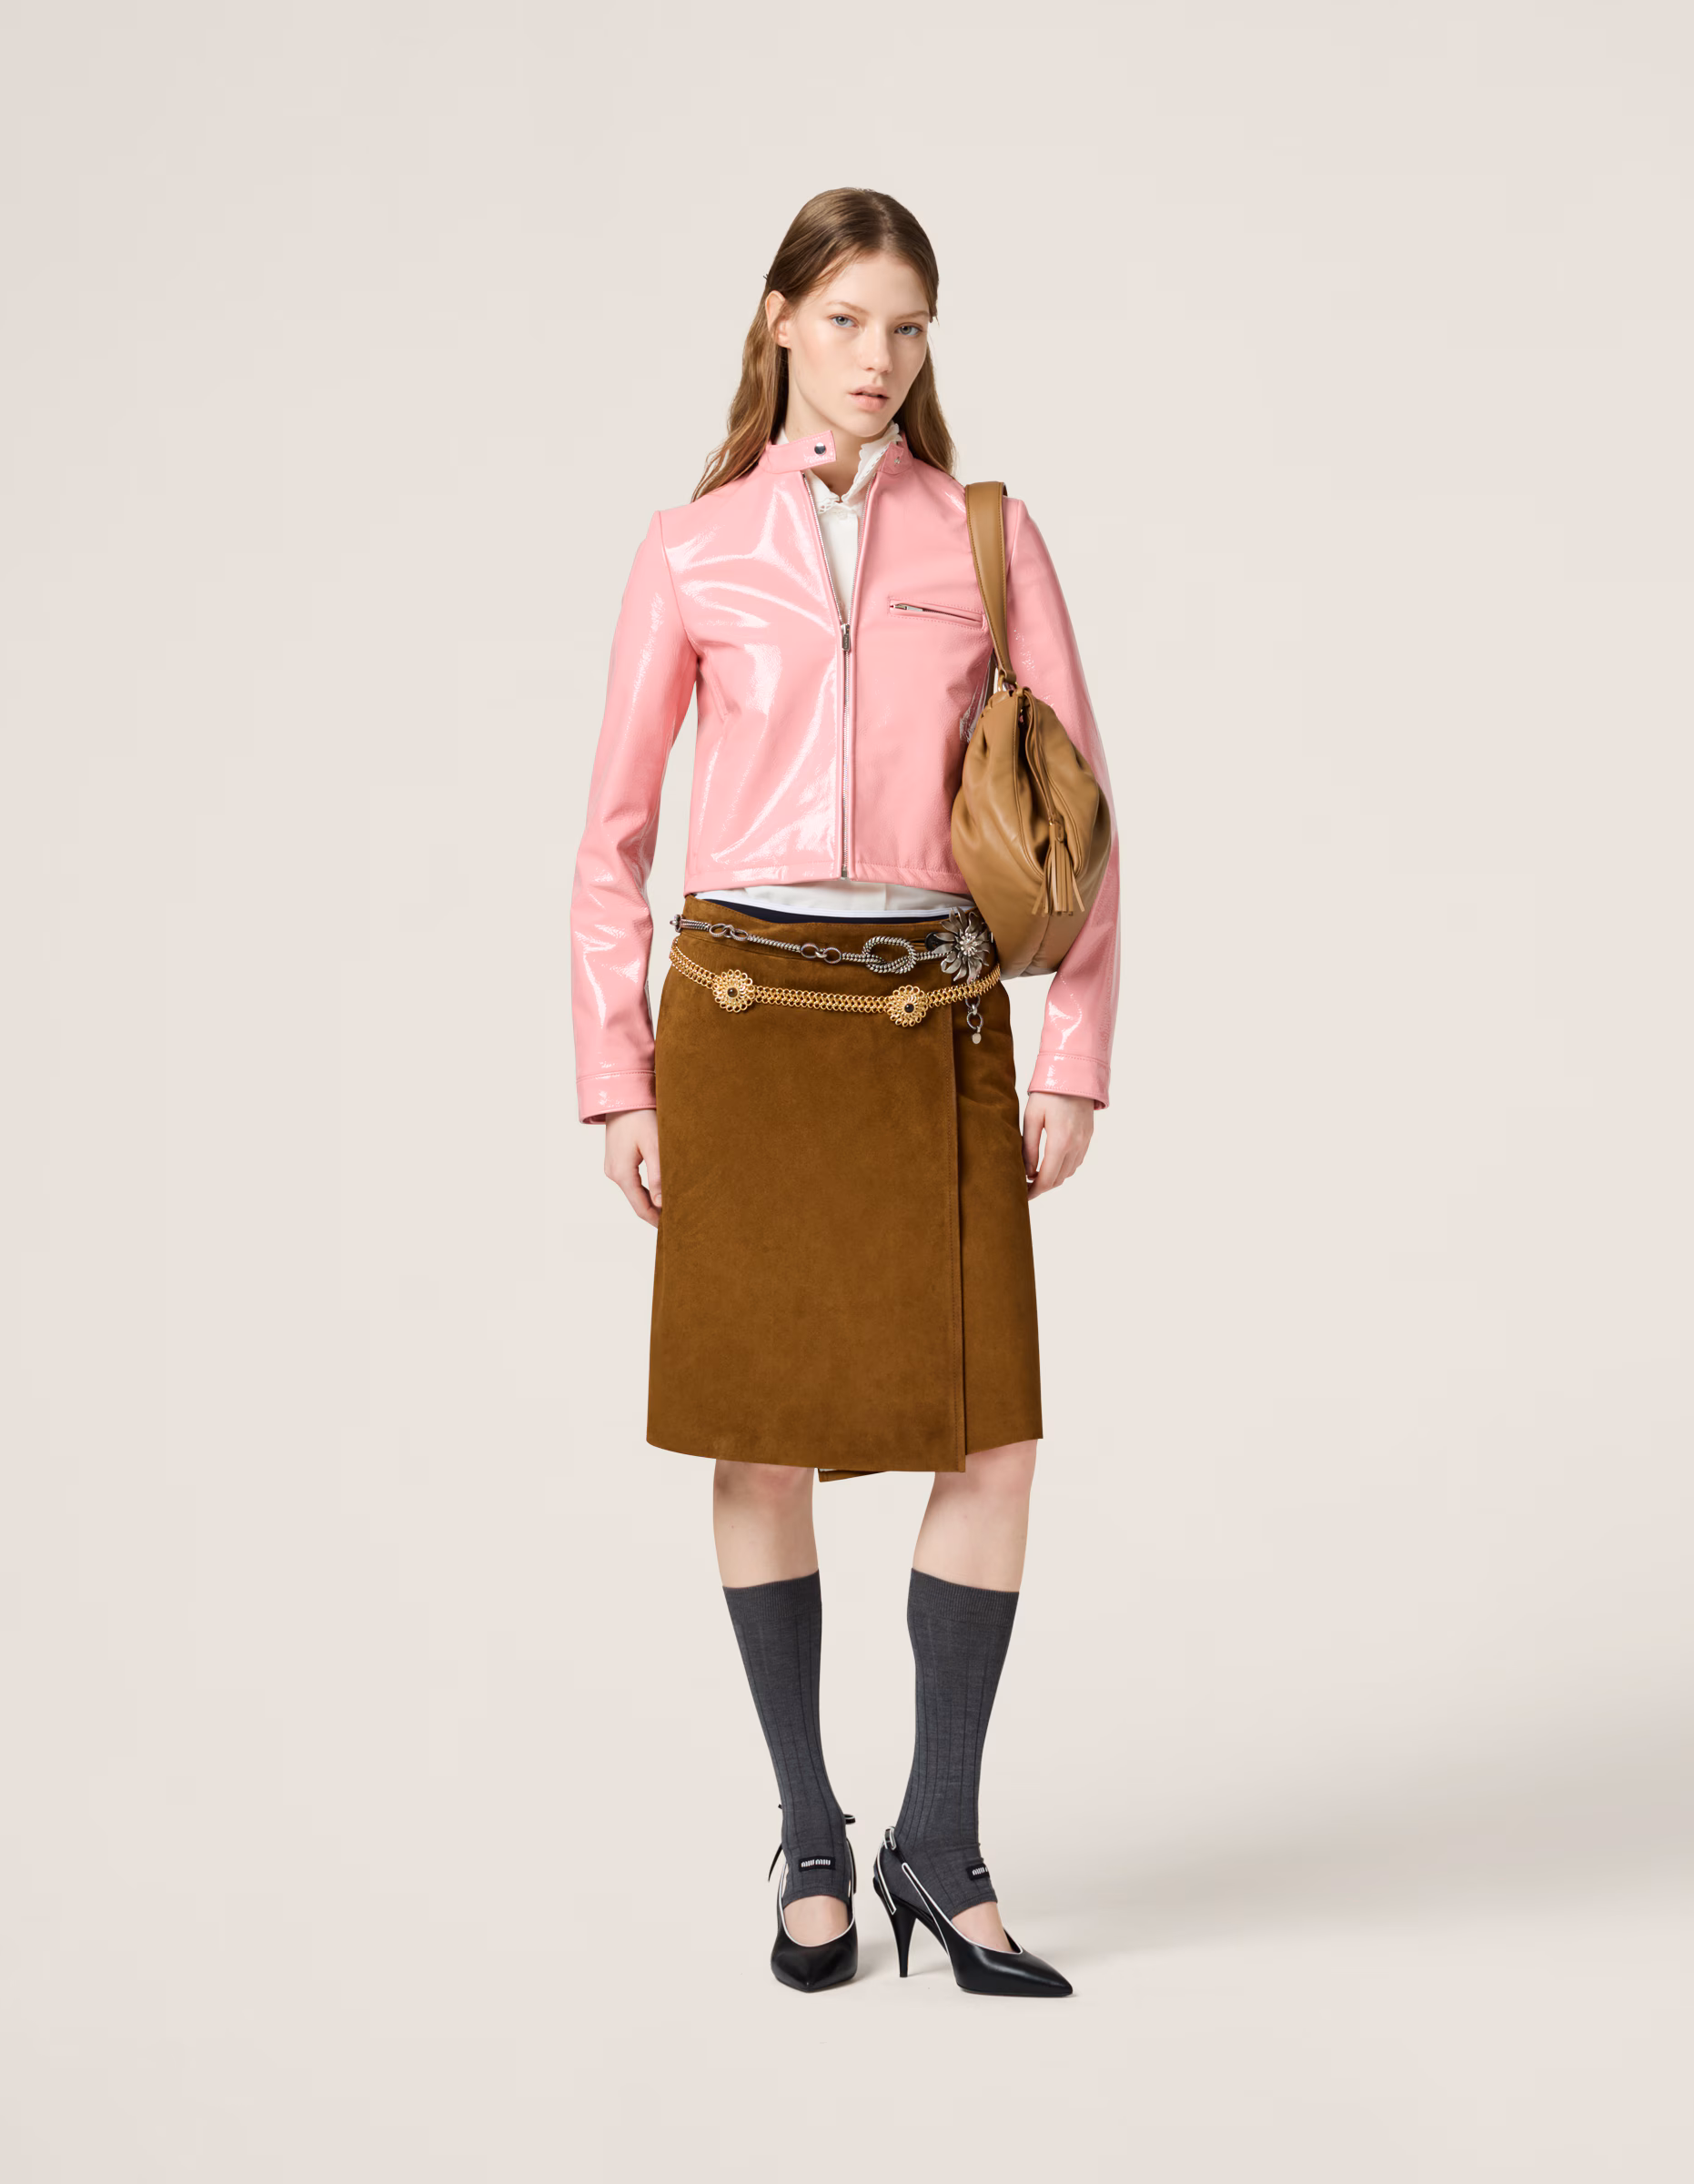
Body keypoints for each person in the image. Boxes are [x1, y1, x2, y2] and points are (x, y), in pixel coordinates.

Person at [568, 187, 1120, 1997]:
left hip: (938, 1024)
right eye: (849, 320)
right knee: (761, 1439)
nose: (880, 358)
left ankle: (939, 1843)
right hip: (743, 1026)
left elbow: (1083, 815)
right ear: (780, 319)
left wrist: (1075, 1052)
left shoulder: (985, 535)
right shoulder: (690, 550)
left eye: (910, 327)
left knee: (994, 1440)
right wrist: (619, 1076)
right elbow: (612, 845)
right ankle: (812, 1836)